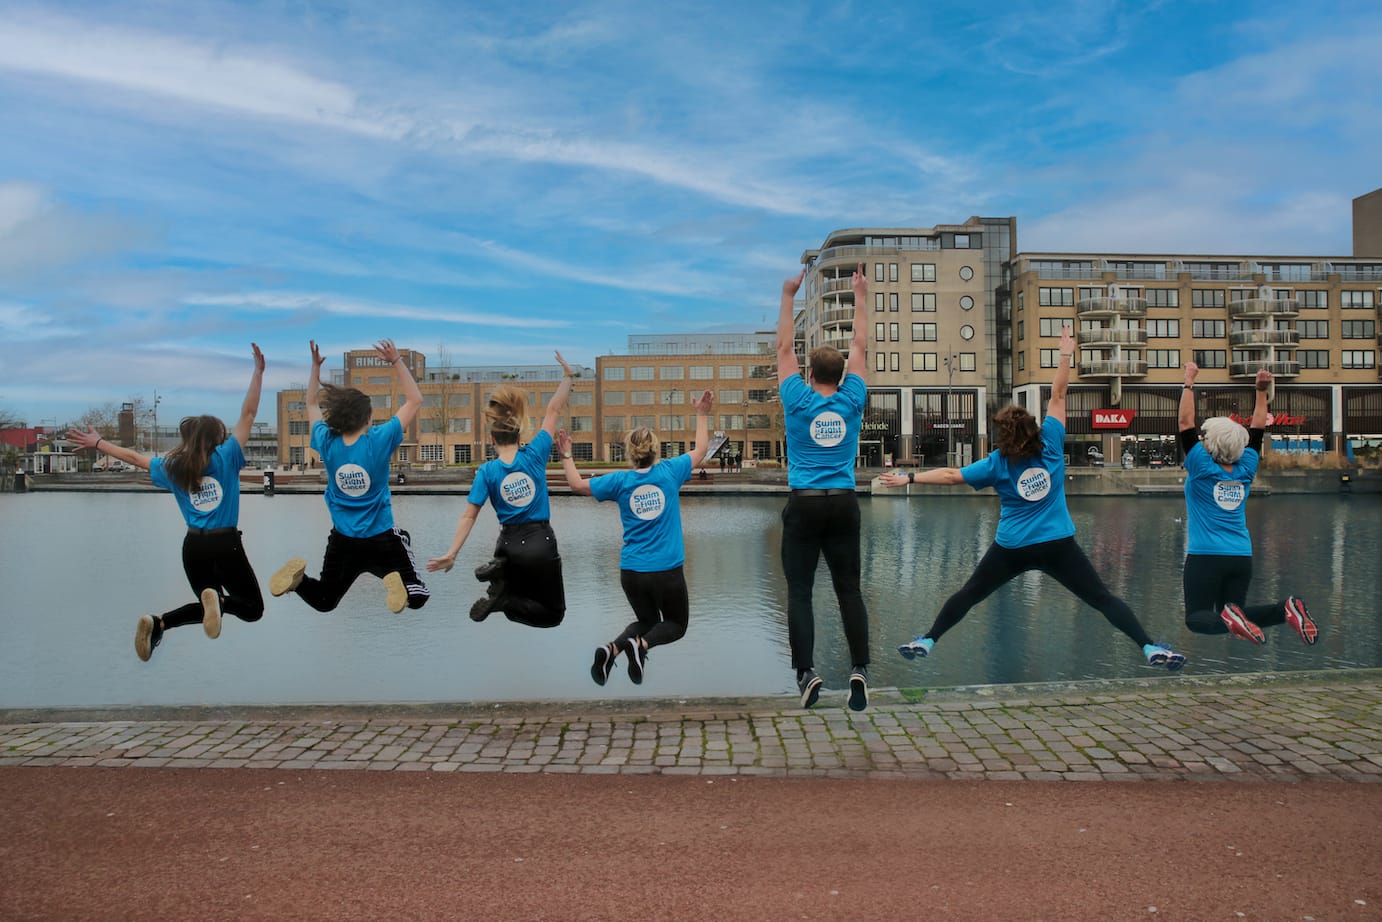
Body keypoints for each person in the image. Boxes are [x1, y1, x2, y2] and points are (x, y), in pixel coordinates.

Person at [881, 326, 1186, 673]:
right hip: (1057, 544)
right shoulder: (1052, 443)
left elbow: (952, 475)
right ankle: (1147, 646)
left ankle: (928, 639)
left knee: (970, 593)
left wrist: (908, 477)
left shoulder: (997, 463)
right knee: (1101, 598)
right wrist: (1066, 353)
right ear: (1032, 427)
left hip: (1012, 548)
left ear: (1003, 435)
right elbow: (1058, 393)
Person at [67, 344, 267, 661]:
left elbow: (133, 457)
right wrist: (257, 372)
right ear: (217, 438)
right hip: (224, 543)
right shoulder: (227, 457)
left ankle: (158, 623)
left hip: (193, 547)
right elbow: (249, 413)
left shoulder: (173, 467)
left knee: (207, 604)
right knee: (252, 609)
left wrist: (98, 443)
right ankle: (220, 602)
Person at [557, 389, 714, 686]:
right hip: (666, 571)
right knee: (676, 625)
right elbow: (702, 449)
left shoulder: (620, 481)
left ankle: (611, 650)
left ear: (630, 453)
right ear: (656, 450)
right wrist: (701, 414)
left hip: (632, 572)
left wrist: (565, 453)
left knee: (648, 622)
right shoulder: (670, 471)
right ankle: (639, 647)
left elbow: (577, 485)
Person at [269, 339, 429, 614]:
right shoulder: (377, 441)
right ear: (368, 420)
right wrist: (396, 361)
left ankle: (297, 582)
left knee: (324, 600)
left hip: (343, 540)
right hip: (381, 536)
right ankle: (399, 581)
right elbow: (415, 400)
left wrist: (315, 370)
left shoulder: (327, 441)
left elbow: (310, 403)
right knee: (417, 594)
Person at [777, 262, 871, 711]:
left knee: (799, 591)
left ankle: (807, 673)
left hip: (805, 505)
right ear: (842, 375)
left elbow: (781, 349)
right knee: (848, 589)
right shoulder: (854, 398)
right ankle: (859, 668)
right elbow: (860, 343)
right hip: (844, 503)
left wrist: (788, 295)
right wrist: (861, 295)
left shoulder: (797, 399)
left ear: (810, 375)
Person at [426, 352, 575, 627]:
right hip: (540, 542)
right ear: (519, 437)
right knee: (553, 614)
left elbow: (469, 515)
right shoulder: (534, 454)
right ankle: (504, 598)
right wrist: (567, 377)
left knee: (514, 591)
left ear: (492, 439)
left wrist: (452, 553)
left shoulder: (487, 471)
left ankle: (502, 581)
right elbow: (553, 410)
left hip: (506, 547)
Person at [1176, 363, 1316, 646]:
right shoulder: (1246, 469)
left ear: (1210, 444)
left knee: (1197, 618)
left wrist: (1189, 382)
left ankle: (1237, 617)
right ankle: (1285, 609)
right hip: (1241, 556)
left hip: (1205, 556)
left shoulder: (1202, 468)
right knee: (1234, 614)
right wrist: (1261, 392)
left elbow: (1185, 424)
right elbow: (1257, 429)